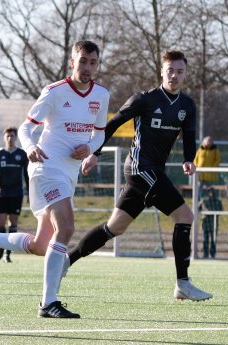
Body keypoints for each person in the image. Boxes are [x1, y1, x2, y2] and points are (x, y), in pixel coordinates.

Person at [0, 40, 109, 318]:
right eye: (82, 61)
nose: (87, 67)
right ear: (72, 62)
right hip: (45, 167)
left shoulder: (102, 94)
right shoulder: (54, 92)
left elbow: (98, 133)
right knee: (67, 227)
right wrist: (30, 147)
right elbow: (27, 127)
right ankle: (49, 302)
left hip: (68, 173)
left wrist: (90, 148)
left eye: (93, 62)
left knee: (40, 244)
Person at [64, 50, 213, 302]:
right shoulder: (144, 99)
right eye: (170, 71)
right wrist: (94, 153)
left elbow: (190, 136)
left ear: (185, 73)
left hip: (152, 172)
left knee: (114, 227)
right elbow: (111, 125)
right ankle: (183, 284)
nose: (174, 76)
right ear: (161, 72)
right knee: (185, 216)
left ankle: (66, 262)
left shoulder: (187, 105)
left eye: (180, 71)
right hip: (139, 168)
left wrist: (189, 158)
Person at [0, 127, 30, 263]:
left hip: (17, 193)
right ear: (4, 138)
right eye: (8, 136)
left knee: (13, 223)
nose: (10, 138)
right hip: (2, 194)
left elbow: (27, 175)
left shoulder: (22, 154)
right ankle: (0, 248)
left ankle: (8, 253)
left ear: (15, 138)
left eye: (12, 136)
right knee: (0, 223)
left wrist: (29, 193)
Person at [199, 187, 223, 258]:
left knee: (213, 240)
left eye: (212, 191)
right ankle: (205, 254)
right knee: (205, 240)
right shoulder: (204, 201)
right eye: (210, 192)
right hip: (206, 224)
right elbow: (196, 208)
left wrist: (212, 212)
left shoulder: (218, 201)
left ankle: (212, 254)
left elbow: (221, 210)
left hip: (214, 224)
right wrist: (204, 211)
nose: (211, 193)